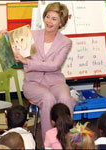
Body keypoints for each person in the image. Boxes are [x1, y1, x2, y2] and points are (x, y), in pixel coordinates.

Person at [11, 2, 75, 141]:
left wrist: (27, 61)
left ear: (61, 23)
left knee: (65, 98)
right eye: (47, 16)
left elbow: (54, 66)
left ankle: (67, 138)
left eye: (54, 18)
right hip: (33, 82)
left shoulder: (65, 42)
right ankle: (49, 142)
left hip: (55, 81)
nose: (49, 21)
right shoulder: (32, 34)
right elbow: (14, 42)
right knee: (48, 99)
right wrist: (6, 36)